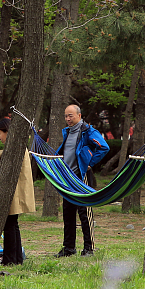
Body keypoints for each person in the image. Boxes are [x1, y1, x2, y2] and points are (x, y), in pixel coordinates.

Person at [55, 104, 109, 257]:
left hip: (81, 177)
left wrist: (90, 163)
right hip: (67, 179)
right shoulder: (67, 132)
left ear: (79, 115)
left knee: (84, 213)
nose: (67, 119)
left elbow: (104, 147)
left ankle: (89, 249)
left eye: (70, 115)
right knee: (68, 213)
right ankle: (69, 248)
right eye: (66, 116)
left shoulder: (88, 131)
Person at [0, 117, 36, 266]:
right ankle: (16, 259)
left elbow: (11, 169)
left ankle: (9, 260)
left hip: (14, 191)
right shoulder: (19, 144)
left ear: (6, 131)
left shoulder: (15, 146)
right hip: (17, 190)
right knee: (13, 225)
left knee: (9, 225)